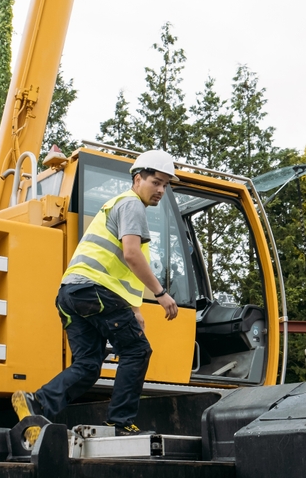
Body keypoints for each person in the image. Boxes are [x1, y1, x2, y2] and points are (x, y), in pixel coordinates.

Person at [12, 150, 180, 434]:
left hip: (71, 294)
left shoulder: (115, 205)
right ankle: (120, 421)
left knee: (89, 365)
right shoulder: (131, 205)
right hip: (94, 291)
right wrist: (161, 293)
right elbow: (131, 255)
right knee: (137, 350)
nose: (161, 190)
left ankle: (37, 403)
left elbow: (120, 269)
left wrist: (135, 310)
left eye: (165, 185)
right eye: (156, 182)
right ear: (138, 179)